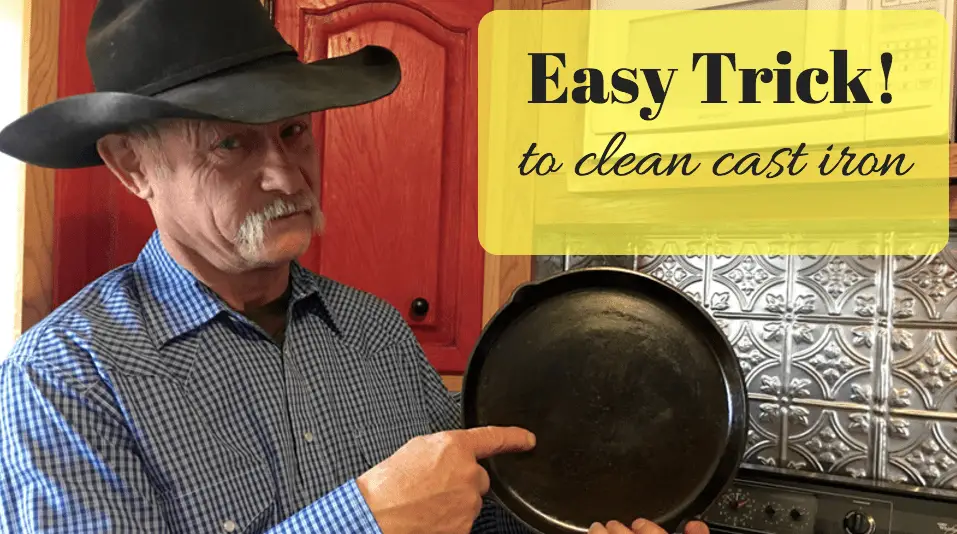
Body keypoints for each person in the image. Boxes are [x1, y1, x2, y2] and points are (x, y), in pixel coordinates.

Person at [0, 1, 712, 534]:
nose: (285, 175)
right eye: (230, 147)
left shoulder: (375, 333)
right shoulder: (64, 376)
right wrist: (365, 520)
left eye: (293, 132)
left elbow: (467, 513)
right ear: (132, 166)